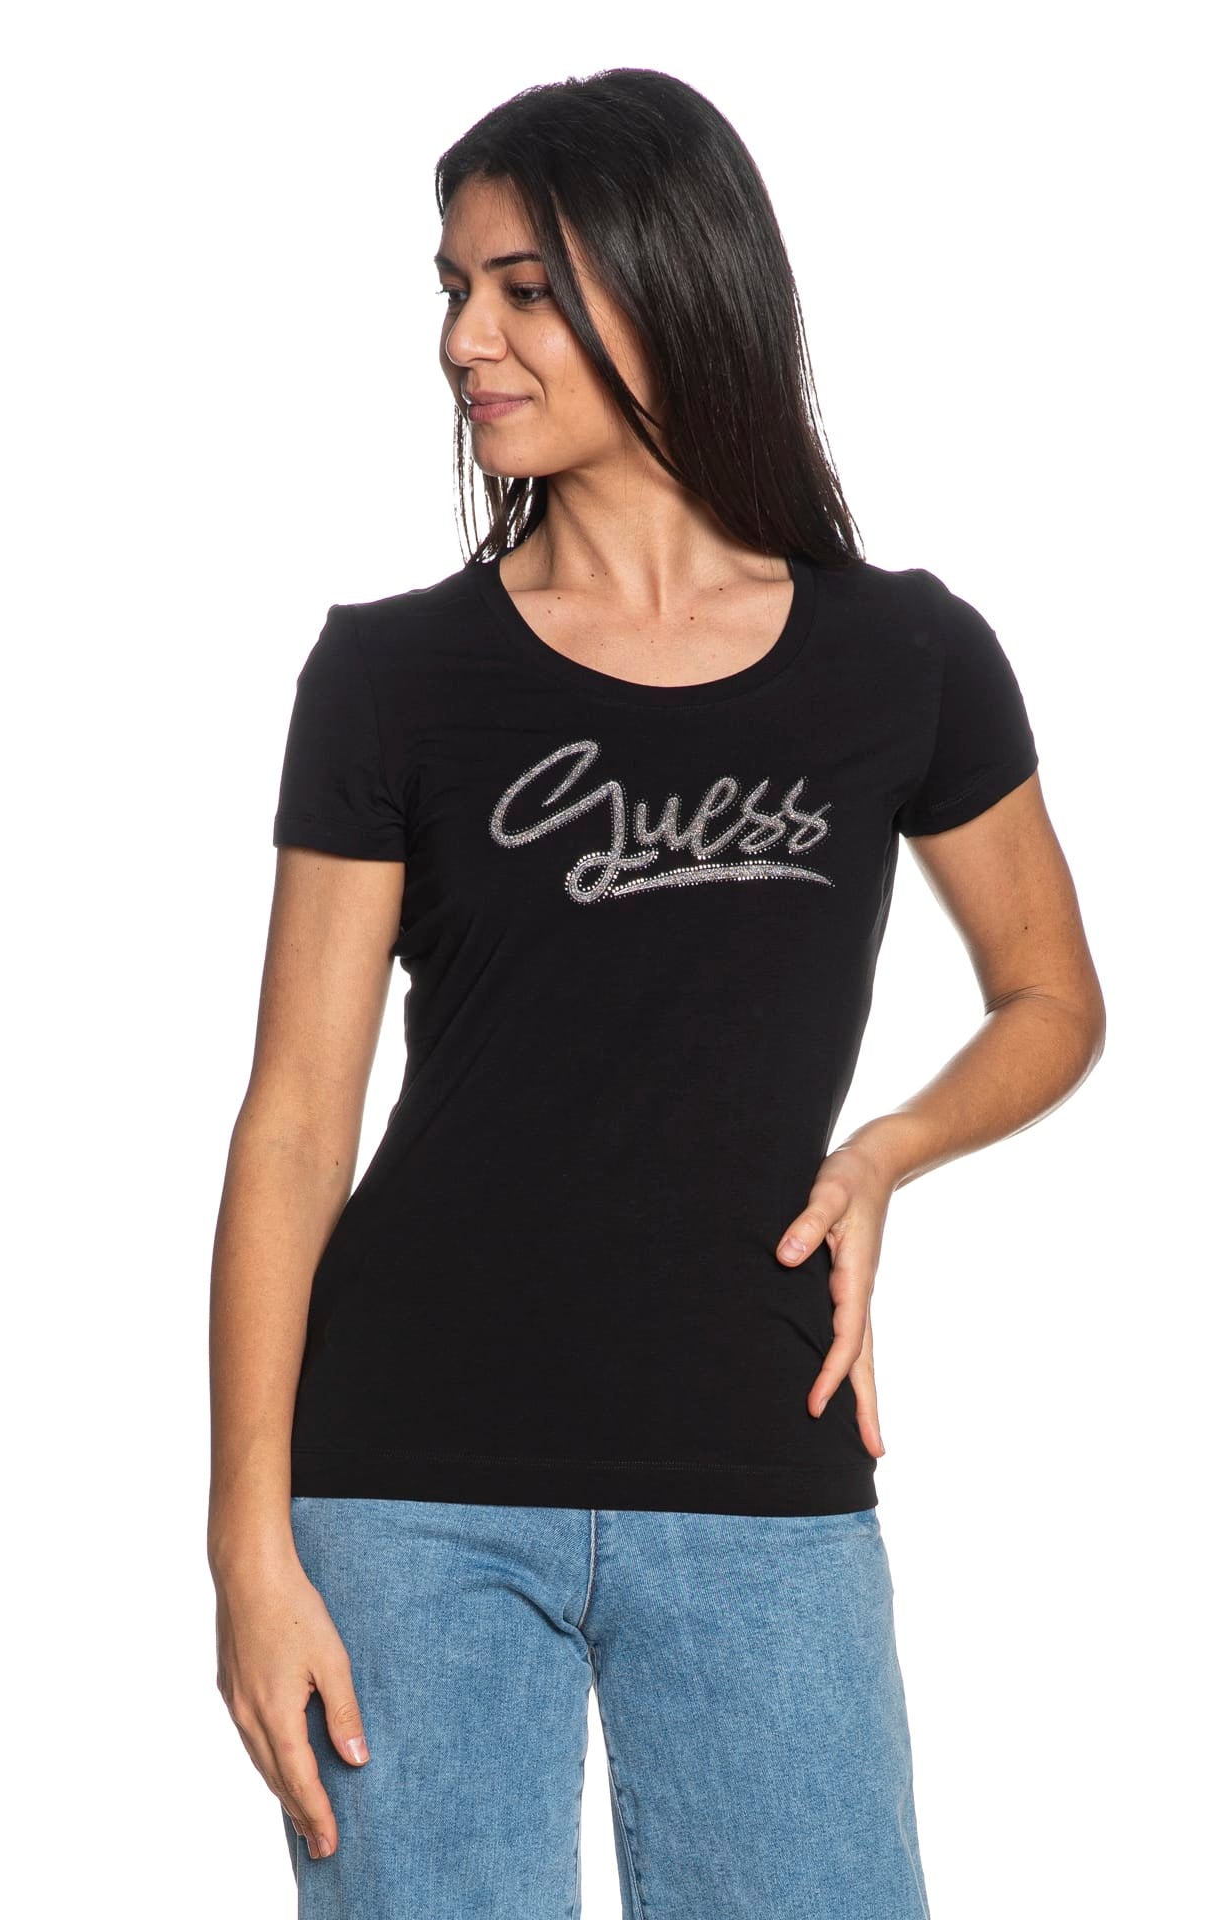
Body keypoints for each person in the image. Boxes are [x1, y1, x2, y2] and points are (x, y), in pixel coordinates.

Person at [208, 67, 1105, 1920]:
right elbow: (296, 1122)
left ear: (678, 282)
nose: (465, 339)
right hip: (407, 1497)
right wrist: (246, 1542)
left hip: (762, 1470)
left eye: (525, 289)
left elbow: (1051, 996)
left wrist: (886, 1155)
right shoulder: (390, 678)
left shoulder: (905, 657)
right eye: (454, 289)